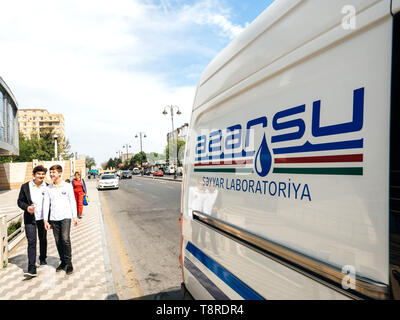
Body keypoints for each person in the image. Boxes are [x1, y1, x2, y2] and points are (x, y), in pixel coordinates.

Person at [43, 165, 78, 275]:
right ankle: (63, 262)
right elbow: (46, 204)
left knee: (65, 239)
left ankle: (69, 263)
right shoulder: (48, 188)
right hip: (54, 218)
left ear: (60, 173)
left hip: (66, 217)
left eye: (53, 172)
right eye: (50, 172)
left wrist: (75, 216)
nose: (51, 174)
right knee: (58, 241)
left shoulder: (67, 186)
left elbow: (72, 201)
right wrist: (45, 220)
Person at [17, 165, 49, 277]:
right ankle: (31, 268)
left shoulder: (47, 187)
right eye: (39, 174)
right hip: (30, 219)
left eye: (43, 174)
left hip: (43, 219)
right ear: (34, 175)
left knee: (43, 239)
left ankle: (43, 257)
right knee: (31, 242)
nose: (41, 176)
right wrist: (27, 207)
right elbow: (20, 201)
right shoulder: (25, 186)